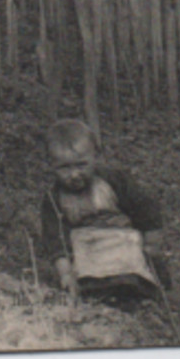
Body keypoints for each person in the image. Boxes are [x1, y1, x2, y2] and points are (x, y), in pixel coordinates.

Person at [39, 119, 168, 298]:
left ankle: (141, 290)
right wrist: (66, 273)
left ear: (96, 156)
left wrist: (152, 244)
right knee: (87, 279)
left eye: (81, 165)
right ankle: (95, 290)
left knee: (136, 267)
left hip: (122, 240)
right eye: (64, 168)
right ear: (51, 165)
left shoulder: (114, 181)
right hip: (86, 249)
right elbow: (55, 239)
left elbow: (145, 208)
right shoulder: (54, 199)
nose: (74, 174)